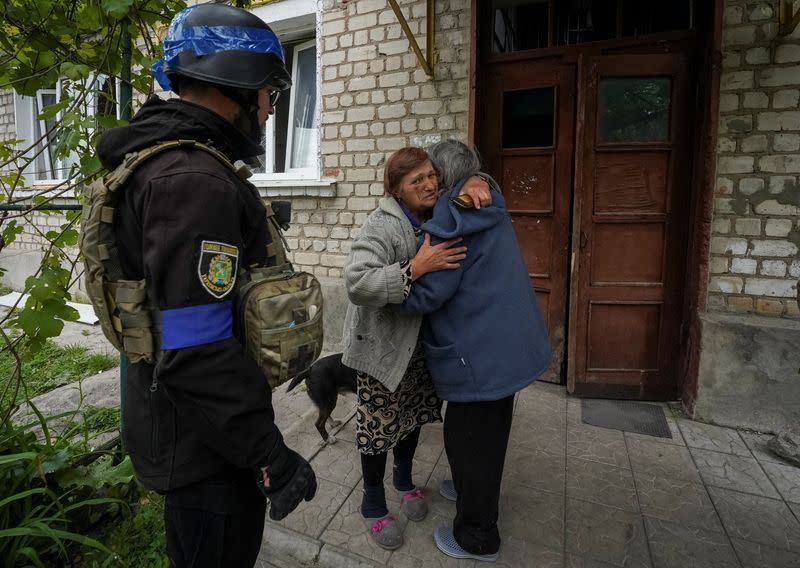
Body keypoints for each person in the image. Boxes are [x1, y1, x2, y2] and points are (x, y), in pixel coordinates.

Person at [95, 5, 316, 566]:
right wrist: (270, 453)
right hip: (206, 452)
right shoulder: (193, 181)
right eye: (269, 90)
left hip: (193, 429)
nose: (270, 107)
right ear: (237, 83)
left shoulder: (172, 163)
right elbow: (195, 350)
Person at [400, 139, 552, 562]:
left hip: (480, 355)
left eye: (432, 174)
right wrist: (478, 176)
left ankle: (477, 535)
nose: (428, 181)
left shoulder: (450, 219)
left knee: (468, 439)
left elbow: (429, 294)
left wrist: (398, 288)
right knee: (489, 432)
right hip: (507, 346)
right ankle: (470, 488)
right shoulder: (487, 199)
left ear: (445, 178)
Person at [342, 147, 490, 550]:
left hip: (419, 347)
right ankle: (372, 504)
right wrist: (414, 269)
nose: (429, 184)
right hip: (382, 350)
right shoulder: (381, 225)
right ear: (396, 190)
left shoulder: (434, 210)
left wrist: (478, 181)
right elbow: (356, 283)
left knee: (412, 418)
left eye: (431, 175)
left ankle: (404, 483)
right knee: (377, 429)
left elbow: (471, 186)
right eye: (416, 180)